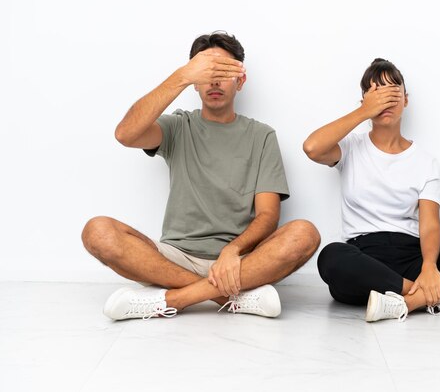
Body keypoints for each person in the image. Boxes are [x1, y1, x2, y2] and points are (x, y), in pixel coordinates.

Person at [82, 31, 320, 321]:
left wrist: (232, 251)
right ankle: (230, 296)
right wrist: (181, 76)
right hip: (174, 257)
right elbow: (125, 133)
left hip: (239, 262)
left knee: (304, 234)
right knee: (97, 232)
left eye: (223, 72)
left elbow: (268, 216)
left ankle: (175, 299)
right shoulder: (178, 126)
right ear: (195, 81)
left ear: (240, 80)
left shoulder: (262, 135)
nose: (215, 81)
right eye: (207, 72)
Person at [303, 58, 440, 322]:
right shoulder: (350, 148)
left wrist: (429, 267)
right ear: (365, 102)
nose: (386, 101)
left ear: (406, 100)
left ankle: (408, 302)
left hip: (413, 258)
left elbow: (430, 224)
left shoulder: (424, 161)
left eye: (393, 93)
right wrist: (363, 112)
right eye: (377, 94)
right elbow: (312, 147)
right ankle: (436, 296)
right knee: (331, 257)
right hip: (365, 260)